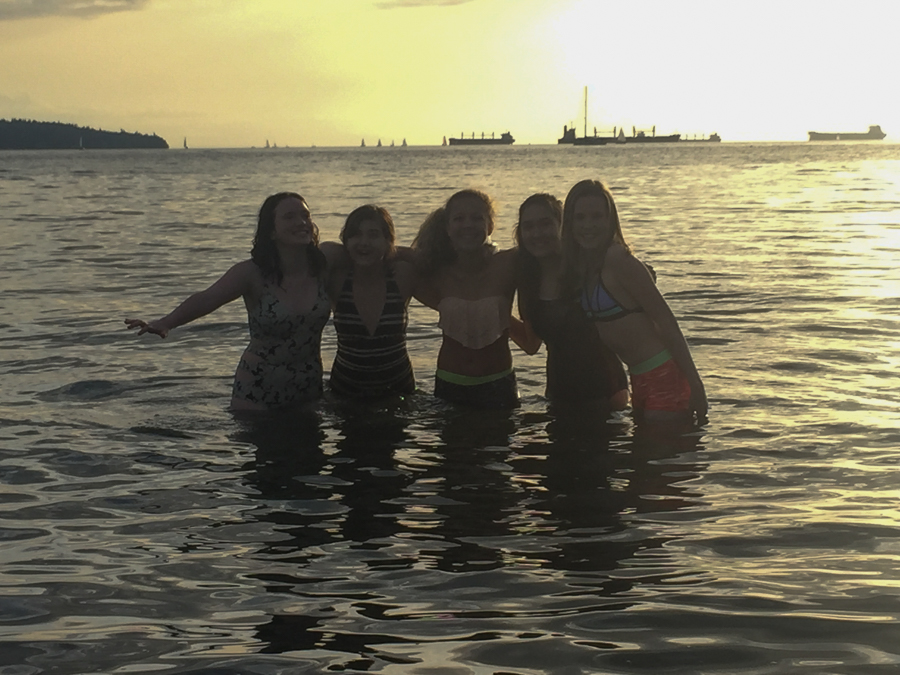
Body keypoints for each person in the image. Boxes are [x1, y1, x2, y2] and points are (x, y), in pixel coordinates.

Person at [125, 191, 340, 412]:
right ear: (271, 231)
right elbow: (207, 298)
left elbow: (361, 250)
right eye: (289, 217)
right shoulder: (252, 273)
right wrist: (166, 322)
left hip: (308, 389)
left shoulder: (325, 263)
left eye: (305, 215)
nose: (301, 222)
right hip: (257, 390)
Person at [560, 179, 707, 424]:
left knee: (660, 446)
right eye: (580, 217)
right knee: (646, 447)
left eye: (597, 217)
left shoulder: (618, 259)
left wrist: (695, 383)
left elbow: (666, 321)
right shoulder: (582, 266)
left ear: (610, 220)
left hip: (665, 375)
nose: (588, 225)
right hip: (638, 378)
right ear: (569, 223)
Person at [511, 192, 629, 410]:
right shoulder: (528, 281)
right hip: (558, 395)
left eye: (545, 224)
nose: (537, 233)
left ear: (563, 226)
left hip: (607, 394)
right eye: (528, 227)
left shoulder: (586, 268)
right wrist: (499, 314)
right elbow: (531, 344)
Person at [412, 189, 518, 408]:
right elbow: (389, 253)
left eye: (477, 218)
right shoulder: (435, 268)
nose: (468, 225)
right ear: (447, 227)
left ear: (490, 225)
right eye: (459, 219)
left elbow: (547, 249)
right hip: (450, 383)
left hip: (498, 382)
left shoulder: (508, 264)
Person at [327, 204, 416, 398]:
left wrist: (394, 252)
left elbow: (429, 259)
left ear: (388, 240)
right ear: (345, 241)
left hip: (400, 394)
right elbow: (323, 251)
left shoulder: (402, 276)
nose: (364, 242)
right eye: (356, 235)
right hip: (344, 394)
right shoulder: (336, 280)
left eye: (373, 235)